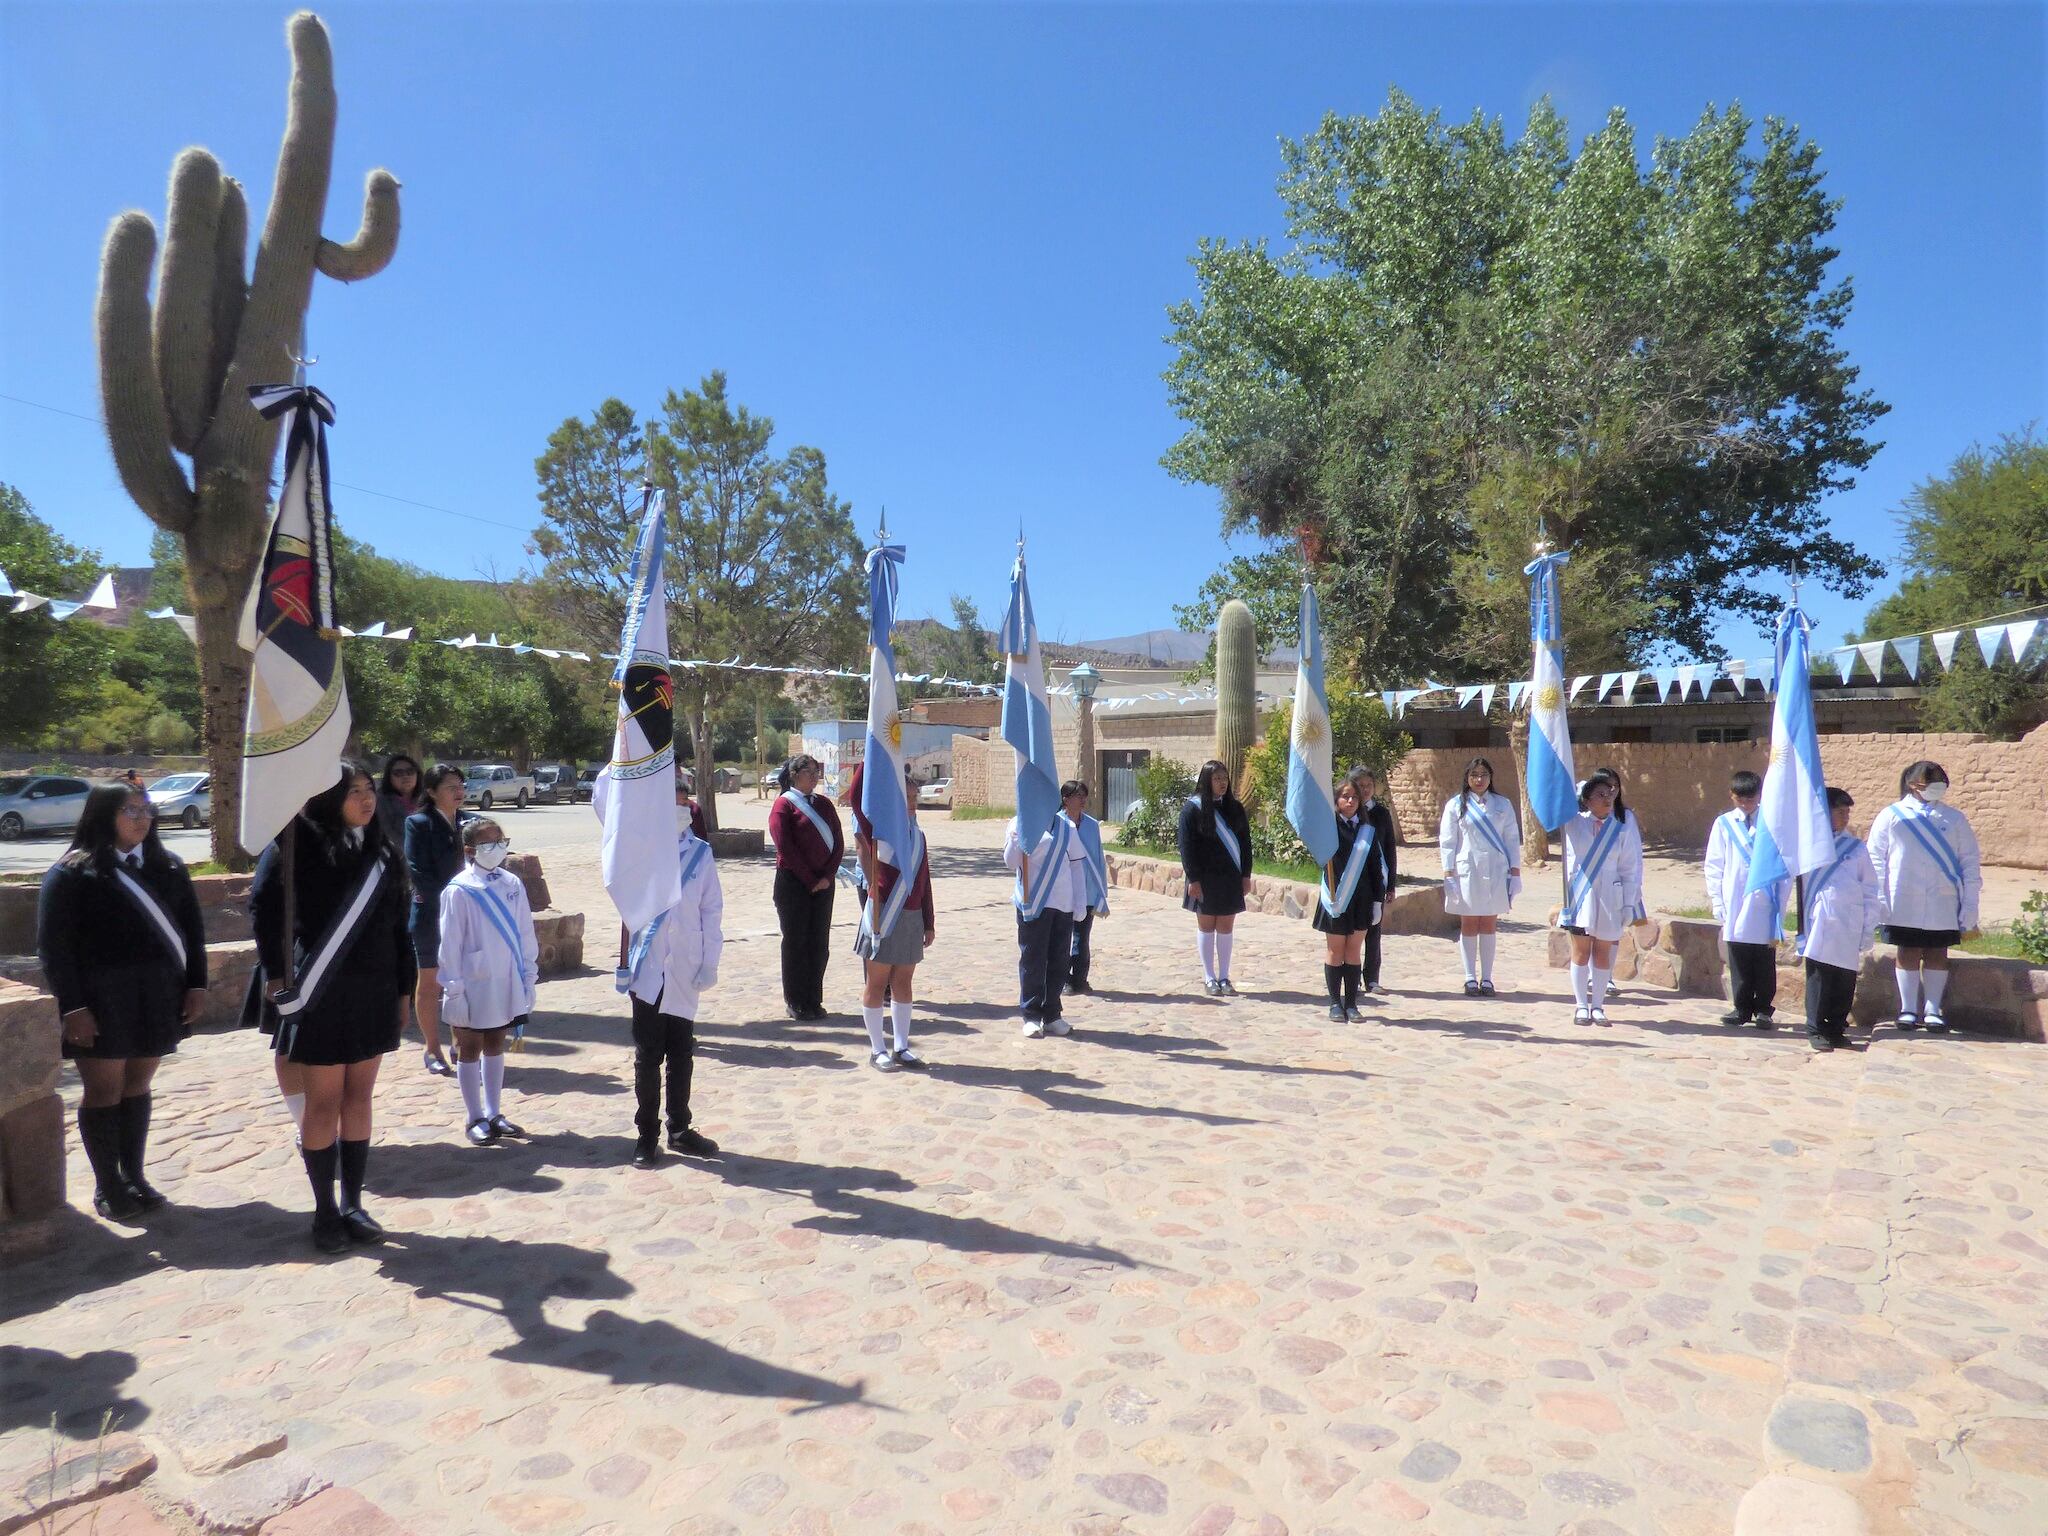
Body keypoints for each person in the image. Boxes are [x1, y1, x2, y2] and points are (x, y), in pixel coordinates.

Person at [250, 762, 415, 1252]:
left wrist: (403, 991)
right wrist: (277, 972)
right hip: (321, 990)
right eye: (354, 792)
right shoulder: (297, 845)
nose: (367, 800)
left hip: (374, 990)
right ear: (327, 798)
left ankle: (353, 1202)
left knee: (359, 1099)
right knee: (323, 1102)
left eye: (369, 790)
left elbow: (398, 929)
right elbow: (265, 909)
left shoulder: (382, 852)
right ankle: (324, 1209)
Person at [38, 783, 207, 1219]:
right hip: (100, 998)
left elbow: (192, 932)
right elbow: (55, 948)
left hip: (156, 995)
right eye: (130, 810)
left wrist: (197, 985)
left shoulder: (167, 866)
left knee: (138, 1084)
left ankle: (133, 1175)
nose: (141, 818)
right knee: (104, 1088)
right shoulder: (73, 872)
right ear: (103, 815)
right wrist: (72, 1007)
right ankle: (107, 1184)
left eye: (146, 810)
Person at [617, 776, 724, 1167]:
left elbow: (711, 909)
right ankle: (646, 1135)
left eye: (685, 801)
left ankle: (680, 1127)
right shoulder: (640, 852)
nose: (681, 808)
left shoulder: (701, 852)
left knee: (682, 1051)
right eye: (673, 801)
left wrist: (709, 960)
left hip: (685, 965)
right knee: (648, 1055)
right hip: (649, 967)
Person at [436, 816, 539, 1145]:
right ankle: (474, 1115)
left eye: (501, 841)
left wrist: (529, 975)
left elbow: (524, 930)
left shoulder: (511, 884)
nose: (496, 848)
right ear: (470, 850)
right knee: (470, 1047)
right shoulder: (460, 890)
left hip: (506, 976)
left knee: (496, 1042)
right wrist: (454, 989)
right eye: (487, 843)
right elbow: (450, 942)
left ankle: (494, 1111)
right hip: (473, 979)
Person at [1867, 760, 1983, 1033]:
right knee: (1907, 950)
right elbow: (1875, 857)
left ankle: (1932, 1008)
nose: (1937, 789)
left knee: (1936, 952)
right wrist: (1877, 897)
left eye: (1941, 784)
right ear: (1912, 784)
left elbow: (1969, 859)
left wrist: (1970, 902)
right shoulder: (1891, 815)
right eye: (1931, 784)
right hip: (1902, 898)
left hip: (1942, 899)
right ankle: (1908, 1008)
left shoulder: (1954, 818)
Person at [850, 764, 936, 1071]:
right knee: (877, 982)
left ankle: (901, 1045)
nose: (912, 804)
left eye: (915, 797)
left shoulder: (919, 836)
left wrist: (929, 921)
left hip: (911, 916)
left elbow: (925, 881)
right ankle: (877, 1049)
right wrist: (871, 762)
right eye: (906, 798)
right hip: (883, 913)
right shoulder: (881, 831)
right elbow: (858, 799)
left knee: (904, 982)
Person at [1005, 780, 1104, 1036]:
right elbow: (1010, 863)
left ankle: (1052, 1013)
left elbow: (1076, 866)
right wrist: (1016, 841)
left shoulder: (1066, 827)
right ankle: (1031, 1014)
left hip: (1062, 903)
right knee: (1033, 960)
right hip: (1033, 903)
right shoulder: (1019, 823)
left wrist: (1080, 901)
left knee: (1059, 960)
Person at [1797, 788, 1886, 1053]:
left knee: (1844, 980)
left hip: (1849, 922)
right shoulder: (1810, 846)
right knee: (1820, 978)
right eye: (1839, 811)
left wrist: (1869, 924)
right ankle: (1816, 1028)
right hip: (1821, 921)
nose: (1845, 817)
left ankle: (1836, 1027)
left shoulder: (1856, 848)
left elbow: (1869, 887)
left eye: (1847, 812)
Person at [1704, 769, 1790, 1028]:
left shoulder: (1771, 821)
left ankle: (1764, 1009)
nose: (1746, 804)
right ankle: (1741, 1008)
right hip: (1735, 899)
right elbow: (1714, 864)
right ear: (1732, 796)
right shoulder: (1724, 824)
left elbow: (1782, 863)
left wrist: (1782, 902)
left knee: (1764, 959)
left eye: (1751, 799)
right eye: (1741, 799)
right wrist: (1717, 901)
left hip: (1765, 900)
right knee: (1738, 956)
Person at [1558, 775, 1645, 1025]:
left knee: (1603, 952)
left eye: (1609, 794)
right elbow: (1560, 806)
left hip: (1611, 893)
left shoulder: (1621, 826)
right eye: (1599, 795)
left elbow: (1630, 866)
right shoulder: (1575, 823)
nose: (1607, 799)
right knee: (1581, 951)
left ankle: (1598, 1005)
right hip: (1582, 892)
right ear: (1586, 800)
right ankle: (1580, 1005)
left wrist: (1630, 902)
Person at [403, 764, 468, 1076]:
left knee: (462, 981)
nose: (459, 792)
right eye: (450, 787)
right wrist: (452, 901)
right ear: (430, 792)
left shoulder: (470, 823)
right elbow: (419, 872)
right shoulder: (418, 823)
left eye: (461, 785)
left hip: (469, 917)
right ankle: (432, 1048)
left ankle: (461, 1043)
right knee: (430, 982)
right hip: (432, 914)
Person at [1437, 757, 1521, 996]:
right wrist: (1448, 873)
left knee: (1489, 923)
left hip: (1496, 870)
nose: (1479, 779)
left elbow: (1512, 840)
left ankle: (1487, 978)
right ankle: (1469, 977)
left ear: (1490, 777)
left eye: (1483, 774)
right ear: (1467, 778)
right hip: (1467, 871)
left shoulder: (1503, 805)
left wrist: (1515, 872)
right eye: (1474, 775)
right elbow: (1448, 841)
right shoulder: (1456, 805)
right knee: (1469, 922)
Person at [766, 755, 842, 1021]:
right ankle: (796, 1000)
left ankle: (814, 998)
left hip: (824, 884)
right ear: (795, 774)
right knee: (796, 942)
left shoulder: (824, 804)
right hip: (794, 885)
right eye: (809, 771)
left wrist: (828, 875)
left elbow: (838, 841)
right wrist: (810, 880)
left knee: (819, 944)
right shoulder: (783, 806)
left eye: (817, 771)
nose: (814, 776)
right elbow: (785, 847)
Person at [1177, 759, 1253, 995]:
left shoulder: (1235, 808)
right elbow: (1186, 846)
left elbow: (1245, 845)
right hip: (1205, 877)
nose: (1222, 783)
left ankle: (1224, 977)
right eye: (1217, 778)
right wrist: (1194, 878)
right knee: (1207, 924)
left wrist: (1246, 875)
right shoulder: (1193, 808)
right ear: (1206, 780)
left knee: (1226, 925)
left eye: (1225, 778)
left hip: (1230, 877)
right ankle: (1209, 976)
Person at [1314, 777, 1387, 1022]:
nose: (1350, 801)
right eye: (1345, 796)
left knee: (1354, 952)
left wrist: (1378, 901)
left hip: (1362, 899)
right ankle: (1335, 1003)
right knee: (1336, 951)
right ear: (1336, 801)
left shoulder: (1367, 831)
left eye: (1354, 797)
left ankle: (1352, 1004)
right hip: (1336, 897)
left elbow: (1376, 868)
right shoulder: (1328, 829)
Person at [1346, 765, 1399, 995]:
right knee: (1351, 929)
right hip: (1352, 879)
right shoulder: (1349, 812)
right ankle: (1351, 976)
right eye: (1360, 785)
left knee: (1374, 929)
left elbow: (1389, 849)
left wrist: (1391, 884)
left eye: (1369, 785)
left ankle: (1372, 978)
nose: (1365, 790)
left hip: (1376, 879)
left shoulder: (1381, 813)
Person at [1061, 781, 1112, 997]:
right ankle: (1064, 978)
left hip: (1088, 889)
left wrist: (1102, 890)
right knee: (1063, 938)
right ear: (1065, 799)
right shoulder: (1057, 823)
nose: (1083, 800)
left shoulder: (1092, 824)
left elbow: (1098, 857)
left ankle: (1080, 979)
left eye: (1084, 795)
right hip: (1063, 890)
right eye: (1078, 795)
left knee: (1082, 938)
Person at [376, 754, 423, 845]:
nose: (405, 776)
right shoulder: (380, 801)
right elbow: (388, 833)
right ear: (389, 777)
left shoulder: (428, 797)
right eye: (398, 773)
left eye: (410, 771)